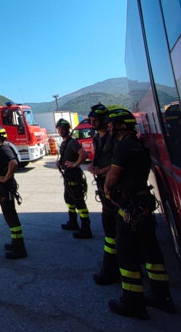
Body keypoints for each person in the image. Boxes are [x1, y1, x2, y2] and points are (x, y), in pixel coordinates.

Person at [103, 106, 175, 319]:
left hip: (130, 206)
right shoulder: (139, 144)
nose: (110, 128)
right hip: (143, 203)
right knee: (151, 252)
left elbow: (114, 175)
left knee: (127, 253)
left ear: (121, 126)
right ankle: (162, 297)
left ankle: (132, 302)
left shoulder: (123, 147)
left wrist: (107, 188)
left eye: (112, 125)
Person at [86, 104, 119, 285]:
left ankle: (112, 270)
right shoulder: (97, 138)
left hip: (114, 189)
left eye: (95, 120)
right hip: (104, 188)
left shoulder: (114, 139)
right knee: (110, 231)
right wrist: (93, 167)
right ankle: (113, 266)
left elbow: (118, 164)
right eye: (91, 120)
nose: (92, 123)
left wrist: (102, 170)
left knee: (114, 231)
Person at [0, 126, 25, 259]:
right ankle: (15, 243)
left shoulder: (4, 149)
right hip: (2, 188)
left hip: (6, 188)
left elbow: (13, 163)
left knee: (11, 217)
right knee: (9, 217)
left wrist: (5, 177)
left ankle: (20, 249)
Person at [56, 118, 92, 238]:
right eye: (59, 128)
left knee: (79, 204)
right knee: (69, 201)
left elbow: (83, 154)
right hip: (68, 177)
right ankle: (73, 222)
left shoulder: (72, 142)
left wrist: (75, 164)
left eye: (63, 128)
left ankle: (86, 229)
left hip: (74, 177)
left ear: (67, 129)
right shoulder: (65, 142)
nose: (61, 130)